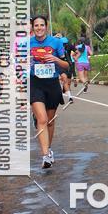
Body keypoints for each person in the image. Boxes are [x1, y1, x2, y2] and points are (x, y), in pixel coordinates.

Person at [29, 15, 69, 169]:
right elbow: (18, 64)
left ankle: (49, 149)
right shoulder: (27, 44)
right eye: (36, 25)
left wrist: (55, 59)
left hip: (52, 83)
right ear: (33, 27)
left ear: (46, 26)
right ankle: (45, 155)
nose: (39, 28)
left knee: (50, 121)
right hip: (35, 83)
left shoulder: (56, 42)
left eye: (42, 25)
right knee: (42, 119)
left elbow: (66, 65)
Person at [58, 33, 75, 104]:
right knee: (64, 79)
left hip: (69, 65)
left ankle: (68, 94)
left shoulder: (69, 46)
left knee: (67, 81)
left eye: (65, 44)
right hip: (61, 65)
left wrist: (75, 58)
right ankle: (69, 96)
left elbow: (77, 51)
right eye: (63, 44)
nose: (64, 45)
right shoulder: (58, 47)